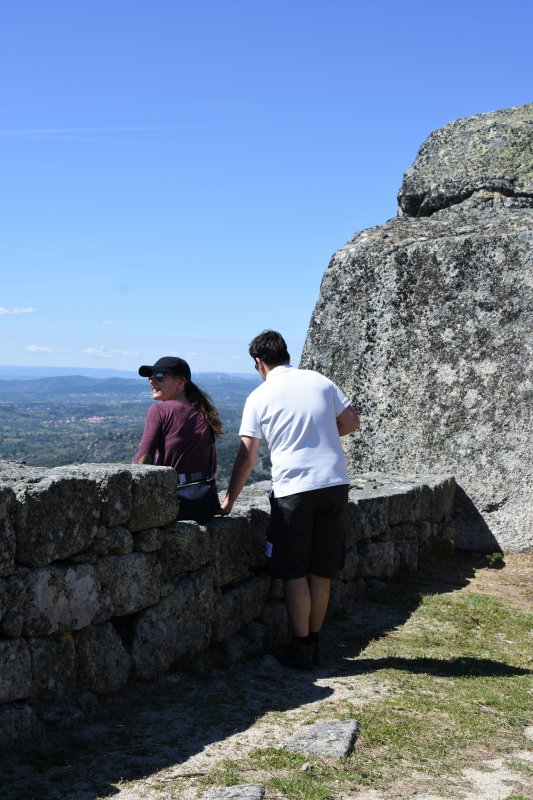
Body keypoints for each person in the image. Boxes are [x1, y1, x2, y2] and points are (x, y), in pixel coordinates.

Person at [220, 331, 360, 669]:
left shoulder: (259, 396)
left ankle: (300, 648)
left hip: (294, 491)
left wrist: (228, 500)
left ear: (259, 363)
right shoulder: (320, 381)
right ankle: (314, 642)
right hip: (334, 484)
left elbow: (247, 457)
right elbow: (351, 422)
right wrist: (320, 435)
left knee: (295, 572)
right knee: (321, 570)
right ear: (286, 354)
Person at [133, 355, 223, 523]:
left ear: (180, 383)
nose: (151, 381)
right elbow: (212, 465)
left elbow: (143, 459)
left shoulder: (160, 411)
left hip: (174, 504)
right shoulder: (205, 413)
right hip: (205, 505)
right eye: (150, 377)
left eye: (159, 377)